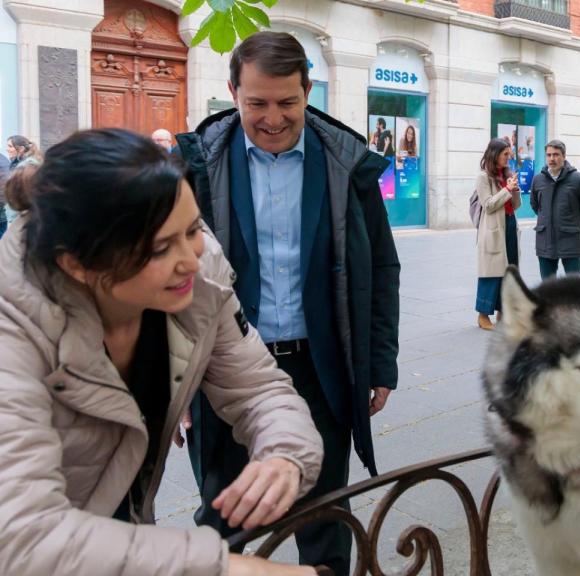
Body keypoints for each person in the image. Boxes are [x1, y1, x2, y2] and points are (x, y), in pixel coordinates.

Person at [0, 128, 324, 576]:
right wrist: (222, 567)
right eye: (158, 248)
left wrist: (285, 453)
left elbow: (260, 389)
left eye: (192, 228)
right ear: (78, 264)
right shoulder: (13, 328)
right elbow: (22, 539)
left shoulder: (200, 276)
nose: (191, 258)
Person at [176, 32, 401, 575]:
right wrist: (175, 376)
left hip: (320, 368)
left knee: (324, 514)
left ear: (307, 92)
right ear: (233, 92)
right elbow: (167, 276)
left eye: (287, 102)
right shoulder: (196, 168)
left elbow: (384, 267)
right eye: (257, 103)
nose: (272, 118)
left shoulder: (348, 167)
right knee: (225, 513)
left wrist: (379, 362)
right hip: (221, 369)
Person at [529, 139, 580, 279]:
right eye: (549, 155)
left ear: (564, 156)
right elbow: (536, 206)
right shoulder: (538, 180)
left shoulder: (578, 179)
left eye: (556, 154)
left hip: (570, 240)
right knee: (547, 287)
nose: (552, 158)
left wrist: (570, 221)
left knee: (573, 286)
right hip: (545, 240)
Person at [475, 137, 521, 331]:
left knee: (509, 269)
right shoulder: (483, 177)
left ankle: (504, 312)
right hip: (493, 228)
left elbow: (516, 205)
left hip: (509, 225)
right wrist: (507, 190)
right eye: (505, 154)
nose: (508, 157)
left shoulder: (507, 174)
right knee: (491, 273)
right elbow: (488, 205)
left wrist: (515, 191)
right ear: (495, 154)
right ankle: (483, 315)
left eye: (509, 153)